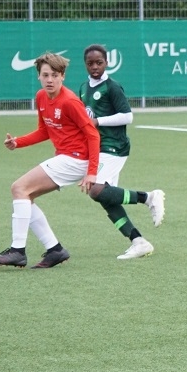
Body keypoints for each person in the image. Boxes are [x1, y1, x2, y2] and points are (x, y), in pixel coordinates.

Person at [0, 53, 99, 269]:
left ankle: (17, 250)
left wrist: (92, 172)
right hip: (65, 158)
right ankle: (55, 250)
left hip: (76, 160)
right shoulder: (41, 97)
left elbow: (93, 135)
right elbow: (44, 131)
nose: (50, 80)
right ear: (38, 76)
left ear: (62, 76)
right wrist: (18, 142)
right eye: (45, 75)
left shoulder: (70, 101)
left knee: (19, 187)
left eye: (55, 75)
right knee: (26, 196)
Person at [78, 44, 165, 260]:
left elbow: (128, 116)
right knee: (107, 198)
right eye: (90, 63)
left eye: (99, 62)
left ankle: (149, 197)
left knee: (96, 190)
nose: (95, 67)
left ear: (106, 63)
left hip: (114, 145)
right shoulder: (83, 88)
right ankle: (138, 242)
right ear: (85, 65)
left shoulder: (112, 87)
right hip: (98, 147)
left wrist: (98, 121)